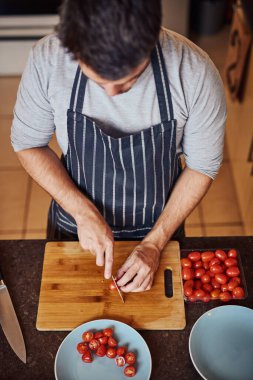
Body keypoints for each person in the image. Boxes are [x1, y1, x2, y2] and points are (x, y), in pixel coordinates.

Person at [11, 0, 226, 292]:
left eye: (128, 82)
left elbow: (203, 165)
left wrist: (154, 243)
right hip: (74, 226)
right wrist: (83, 212)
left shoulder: (194, 73)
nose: (112, 95)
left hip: (160, 228)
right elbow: (28, 145)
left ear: (152, 40)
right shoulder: (48, 59)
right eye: (97, 81)